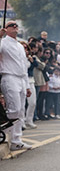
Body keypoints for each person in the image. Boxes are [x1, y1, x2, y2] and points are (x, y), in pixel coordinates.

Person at [0, 21, 31, 152]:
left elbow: (24, 66)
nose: (14, 27)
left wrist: (27, 85)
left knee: (21, 111)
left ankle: (16, 140)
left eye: (16, 25)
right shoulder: (3, 42)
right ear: (6, 29)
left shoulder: (19, 45)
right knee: (14, 108)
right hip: (9, 76)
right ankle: (7, 136)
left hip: (21, 78)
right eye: (11, 25)